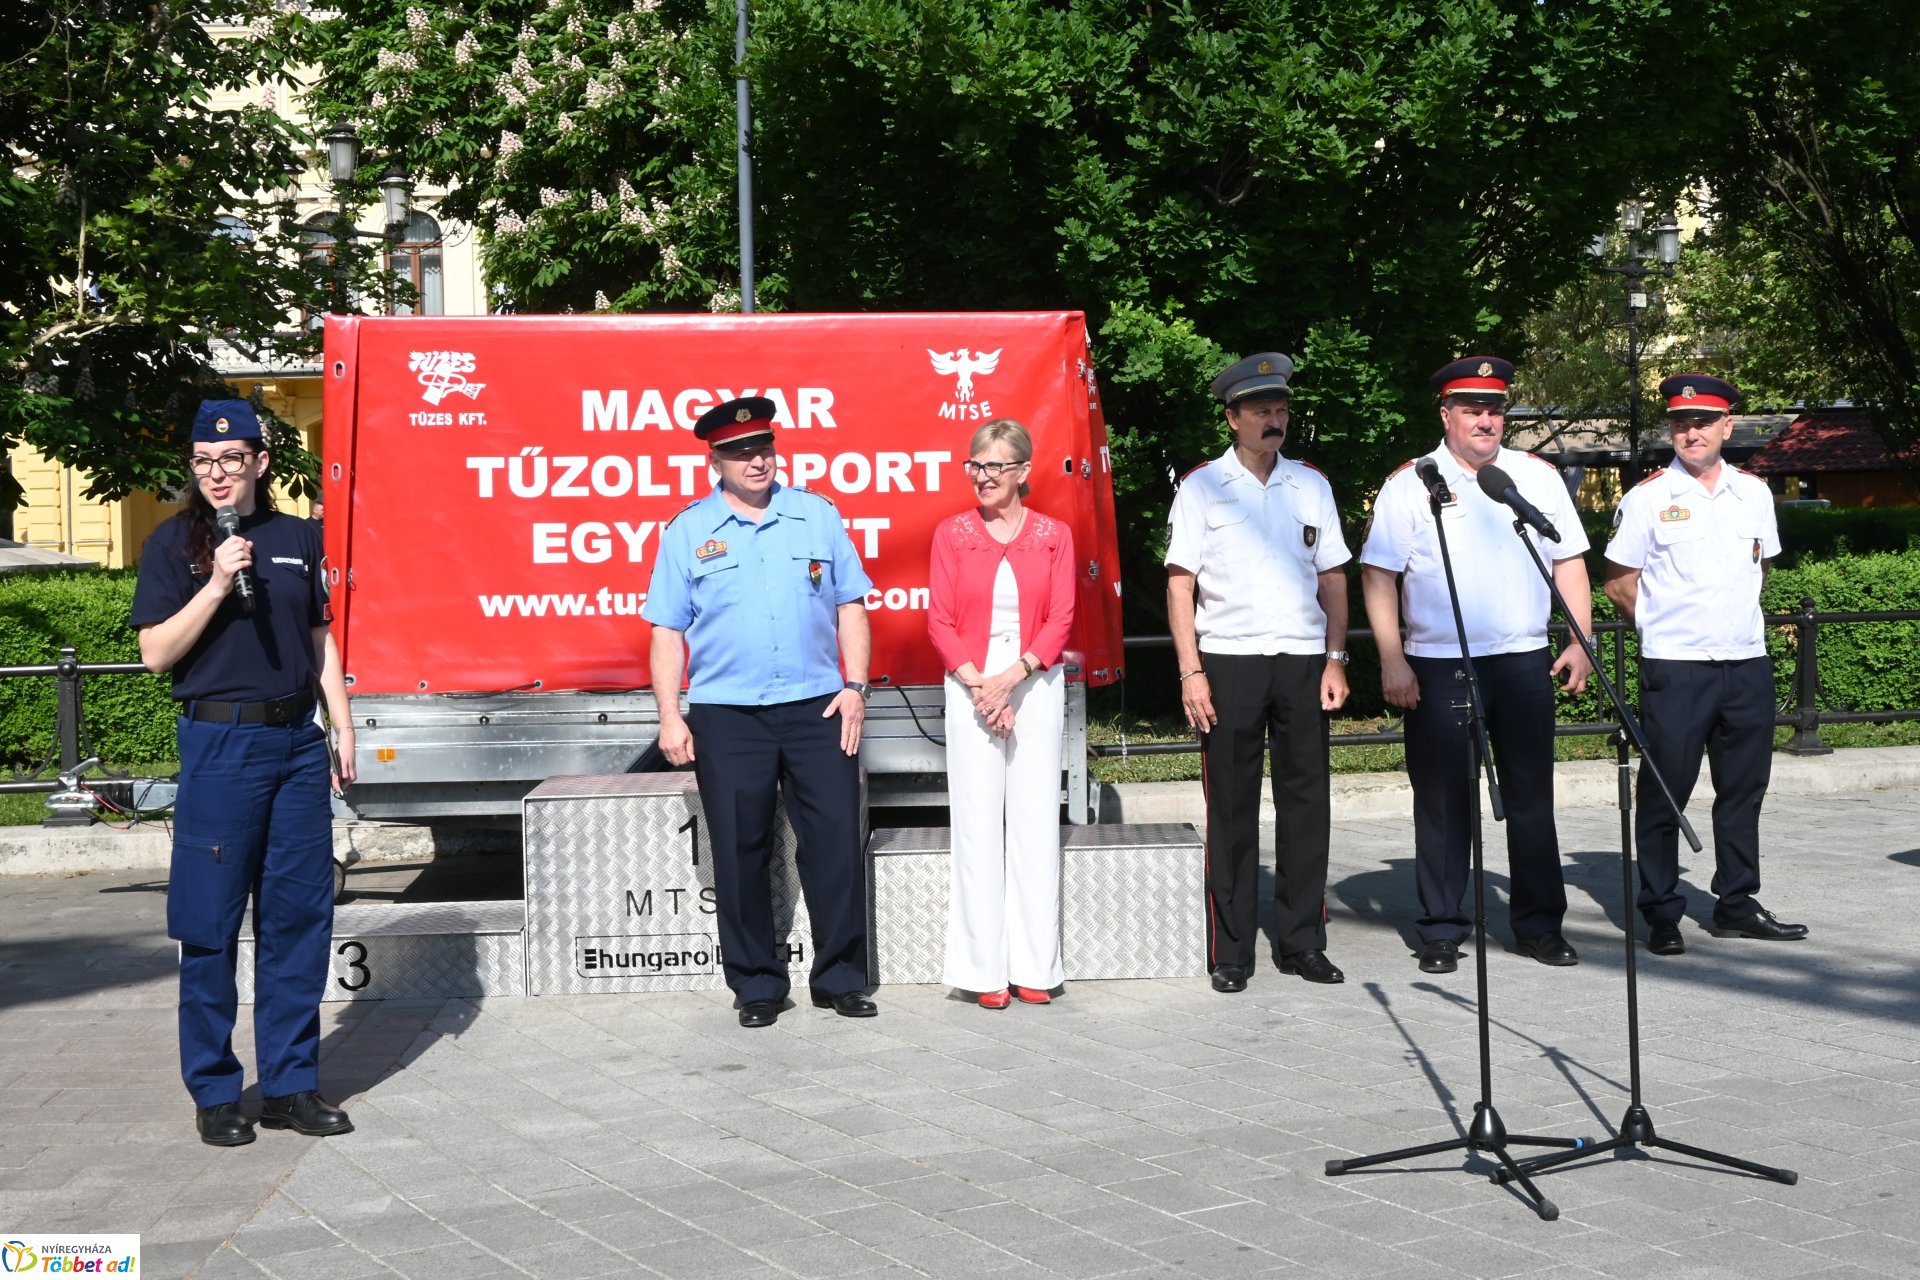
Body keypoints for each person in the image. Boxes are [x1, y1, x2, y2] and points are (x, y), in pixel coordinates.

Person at [131, 399, 357, 1147]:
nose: (216, 474)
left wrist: (341, 727)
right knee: (211, 922)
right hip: (222, 748)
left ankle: (291, 1086)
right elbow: (158, 654)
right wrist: (218, 583)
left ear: (261, 463)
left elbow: (319, 638)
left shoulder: (299, 538)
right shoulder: (176, 545)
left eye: (230, 460)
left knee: (299, 919)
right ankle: (216, 1090)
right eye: (202, 462)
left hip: (295, 744)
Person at [643, 396, 878, 1028]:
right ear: (714, 458)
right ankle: (756, 986)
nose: (757, 460)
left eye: (764, 447)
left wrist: (856, 686)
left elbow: (851, 603)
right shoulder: (688, 530)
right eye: (741, 451)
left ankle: (841, 979)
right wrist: (671, 714)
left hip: (817, 709)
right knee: (740, 851)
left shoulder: (817, 516)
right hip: (728, 715)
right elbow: (667, 630)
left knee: (832, 844)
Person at [1359, 357, 1593, 975]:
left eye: (1494, 409)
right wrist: (1392, 660)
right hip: (1438, 663)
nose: (1486, 420)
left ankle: (1539, 926)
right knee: (1441, 800)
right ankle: (1440, 928)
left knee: (1531, 796)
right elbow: (1379, 576)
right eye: (1471, 409)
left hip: (1522, 659)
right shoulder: (1412, 482)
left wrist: (1579, 639)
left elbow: (1568, 559)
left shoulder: (1534, 477)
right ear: (1447, 415)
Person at [1165, 353, 1353, 993]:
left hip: (1302, 659)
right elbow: (1180, 582)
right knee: (1233, 808)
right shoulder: (1202, 486)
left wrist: (1336, 657)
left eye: (1281, 410)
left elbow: (1332, 578)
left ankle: (1303, 941)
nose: (1275, 421)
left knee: (1308, 806)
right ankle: (1234, 949)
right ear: (1233, 417)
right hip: (1229, 660)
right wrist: (1190, 669)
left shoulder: (1312, 484)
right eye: (1261, 411)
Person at [1604, 374, 1806, 955]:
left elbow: (1760, 569)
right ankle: (1662, 910)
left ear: (1727, 426)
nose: (1691, 432)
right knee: (1665, 791)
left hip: (1745, 663)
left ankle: (1737, 903)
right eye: (1681, 423)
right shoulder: (1647, 498)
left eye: (1703, 421)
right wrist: (1667, 630)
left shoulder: (1755, 493)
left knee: (1743, 791)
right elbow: (1619, 581)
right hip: (1677, 667)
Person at [927, 420, 1077, 1009]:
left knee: (1037, 819)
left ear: (1022, 473)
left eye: (994, 467)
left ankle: (1035, 964)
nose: (982, 477)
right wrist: (980, 686)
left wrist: (1012, 681)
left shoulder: (1054, 534)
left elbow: (1063, 614)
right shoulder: (951, 533)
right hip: (969, 683)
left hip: (1035, 681)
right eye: (975, 465)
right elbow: (938, 618)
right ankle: (982, 970)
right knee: (977, 823)